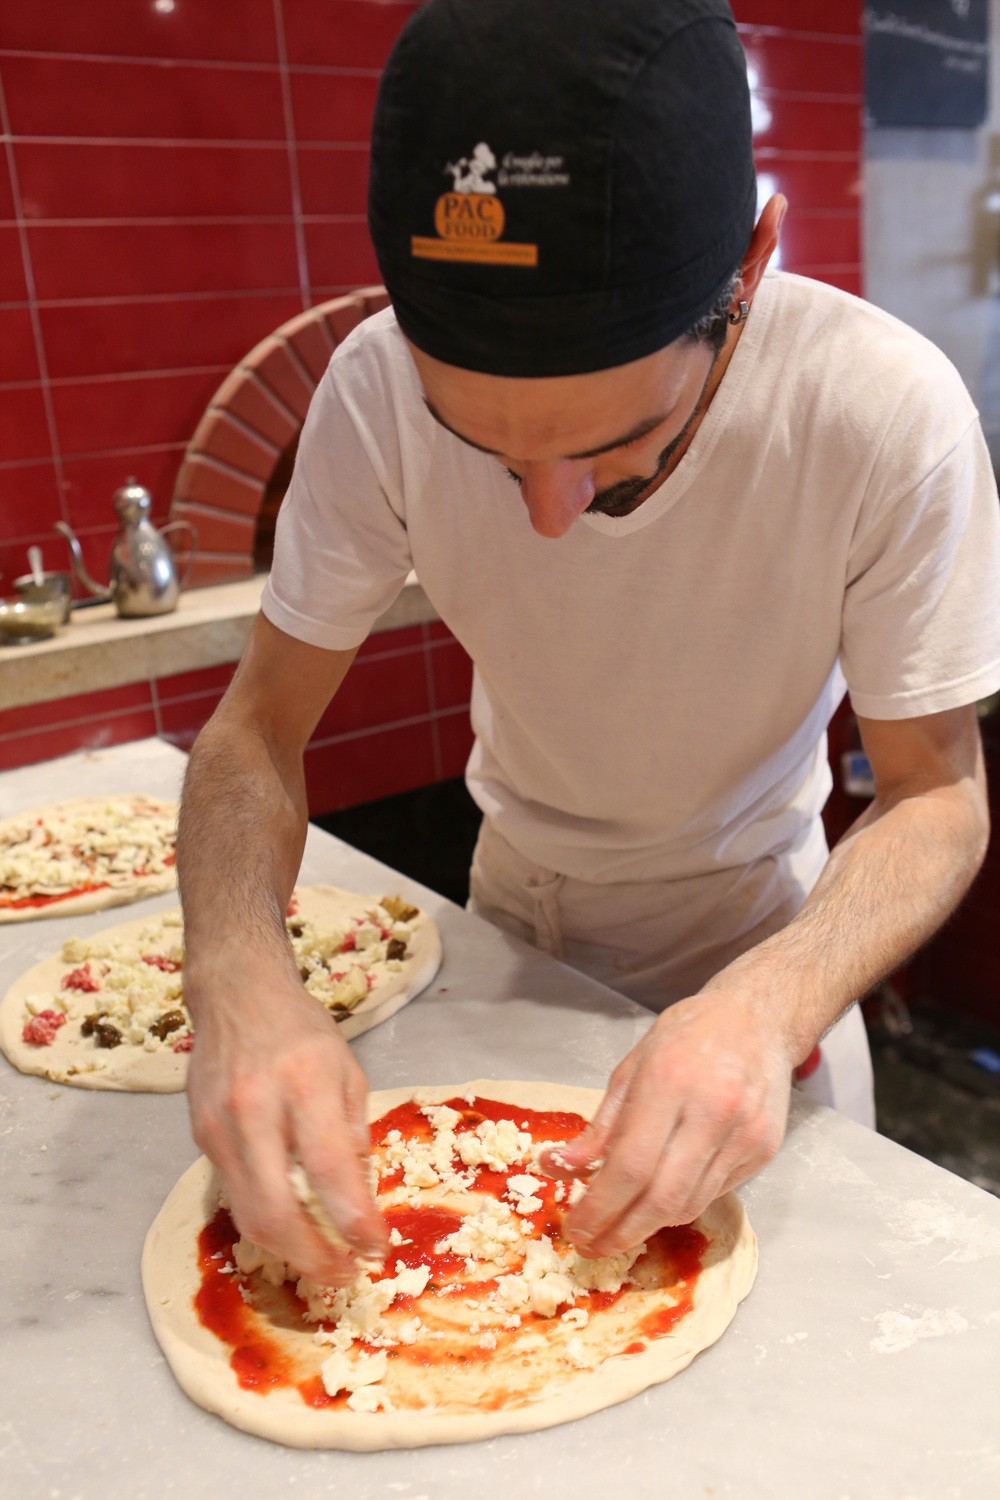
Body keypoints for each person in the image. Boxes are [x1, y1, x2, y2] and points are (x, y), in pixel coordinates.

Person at [177, 0, 999, 1289]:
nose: (553, 517)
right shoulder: (377, 386)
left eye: (619, 444)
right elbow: (254, 732)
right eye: (486, 449)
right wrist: (234, 968)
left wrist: (766, 1007)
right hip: (507, 940)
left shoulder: (880, 412)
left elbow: (936, 796)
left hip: (764, 951)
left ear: (753, 260)